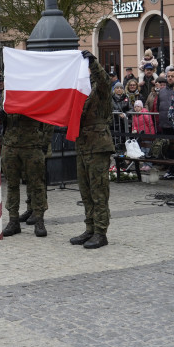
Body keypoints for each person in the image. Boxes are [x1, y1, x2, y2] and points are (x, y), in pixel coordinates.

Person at [70, 51, 114, 249]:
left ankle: (100, 232)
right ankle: (90, 228)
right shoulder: (79, 91)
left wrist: (94, 62)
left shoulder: (99, 89)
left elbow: (104, 80)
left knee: (98, 191)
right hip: (82, 144)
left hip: (98, 145)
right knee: (85, 191)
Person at [0, 109, 50, 237]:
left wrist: (44, 142)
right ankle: (13, 220)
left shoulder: (36, 91)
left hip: (32, 144)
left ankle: (39, 220)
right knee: (11, 185)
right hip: (10, 144)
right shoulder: (9, 92)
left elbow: (49, 118)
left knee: (37, 185)